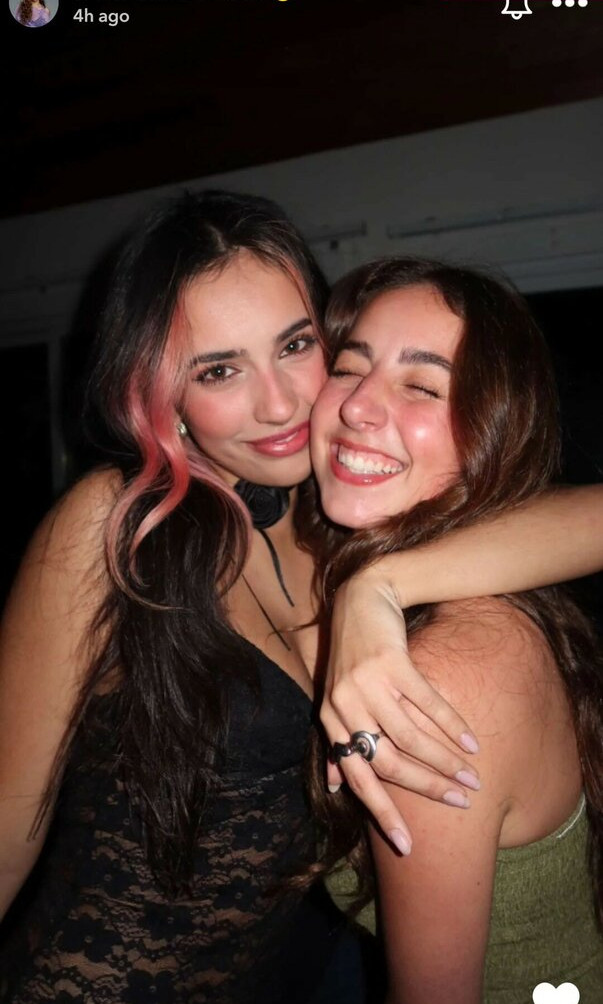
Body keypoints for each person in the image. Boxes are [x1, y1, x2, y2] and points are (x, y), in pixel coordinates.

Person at [0, 192, 602, 1003]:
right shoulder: (117, 528)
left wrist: (379, 587)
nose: (280, 404)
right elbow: (7, 827)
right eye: (219, 370)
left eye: (295, 346)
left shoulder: (341, 515)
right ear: (161, 396)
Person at [309, 256, 603, 1003]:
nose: (358, 407)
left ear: (493, 434)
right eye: (348, 368)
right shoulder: (468, 587)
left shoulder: (438, 675)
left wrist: (376, 586)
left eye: (421, 385)